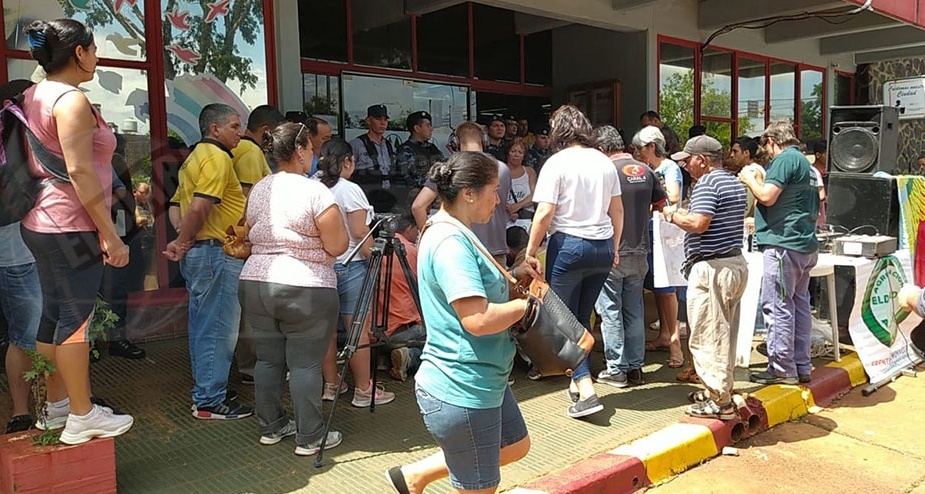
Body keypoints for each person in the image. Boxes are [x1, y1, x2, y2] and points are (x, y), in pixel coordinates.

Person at [384, 151, 537, 494]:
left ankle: (413, 477)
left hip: (483, 379)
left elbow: (476, 290)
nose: (497, 201)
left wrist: (515, 274)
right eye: (493, 191)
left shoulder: (456, 230)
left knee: (514, 445)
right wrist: (525, 306)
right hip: (463, 387)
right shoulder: (451, 242)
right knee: (480, 485)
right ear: (469, 193)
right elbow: (477, 319)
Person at [19, 19, 134, 444]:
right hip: (71, 224)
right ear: (79, 53)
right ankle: (82, 415)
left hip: (41, 221)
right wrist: (109, 233)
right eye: (94, 49)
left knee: (54, 316)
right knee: (76, 320)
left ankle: (56, 407)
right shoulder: (70, 100)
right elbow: (80, 170)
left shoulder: (34, 94)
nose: (97, 57)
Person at [238, 121, 349, 455]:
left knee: (268, 360)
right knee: (305, 364)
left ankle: (272, 427)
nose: (314, 155)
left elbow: (247, 230)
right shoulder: (315, 191)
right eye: (311, 149)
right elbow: (337, 244)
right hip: (305, 285)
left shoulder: (260, 188)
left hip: (256, 281)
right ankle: (310, 435)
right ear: (300, 151)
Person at [526, 105, 623, 418]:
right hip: (603, 246)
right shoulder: (604, 161)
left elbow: (544, 212)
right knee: (583, 317)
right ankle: (578, 380)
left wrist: (530, 251)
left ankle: (586, 389)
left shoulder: (556, 162)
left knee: (564, 322)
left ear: (559, 130)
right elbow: (617, 211)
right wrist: (615, 247)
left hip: (568, 245)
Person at [165, 103, 253, 420]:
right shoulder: (217, 157)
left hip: (202, 252)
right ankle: (209, 400)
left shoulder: (194, 158)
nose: (240, 133)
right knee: (218, 328)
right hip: (217, 253)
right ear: (214, 129)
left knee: (204, 325)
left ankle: (208, 389)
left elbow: (176, 205)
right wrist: (183, 240)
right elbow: (201, 205)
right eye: (234, 126)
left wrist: (184, 236)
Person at [665, 136, 748, 419]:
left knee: (707, 335)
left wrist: (672, 215)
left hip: (713, 269)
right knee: (724, 334)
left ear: (701, 160)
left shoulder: (708, 183)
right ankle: (721, 391)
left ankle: (720, 402)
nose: (686, 166)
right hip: (732, 264)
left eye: (688, 160)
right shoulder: (733, 181)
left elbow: (698, 223)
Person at [316, 138, 396, 408]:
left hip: (322, 266)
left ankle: (331, 384)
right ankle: (363, 389)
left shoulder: (313, 186)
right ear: (347, 161)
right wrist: (377, 263)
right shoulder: (349, 190)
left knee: (326, 330)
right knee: (357, 329)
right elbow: (361, 232)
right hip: (351, 265)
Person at [739, 121, 819, 385]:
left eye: (766, 146)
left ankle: (782, 368)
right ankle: (801, 364)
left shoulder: (785, 159)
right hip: (802, 243)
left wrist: (750, 178)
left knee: (778, 306)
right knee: (799, 305)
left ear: (772, 141)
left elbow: (767, 196)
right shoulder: (805, 163)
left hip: (784, 244)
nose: (767, 152)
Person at [592, 125, 667, 388]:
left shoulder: (605, 171)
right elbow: (661, 204)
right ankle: (635, 367)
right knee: (634, 309)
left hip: (613, 249)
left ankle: (616, 369)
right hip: (640, 248)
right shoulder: (646, 170)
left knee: (611, 310)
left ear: (601, 149)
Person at [231, 104, 284, 386]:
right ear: (265, 131)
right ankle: (252, 366)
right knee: (251, 312)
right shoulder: (251, 153)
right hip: (247, 240)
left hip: (239, 239)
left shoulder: (239, 149)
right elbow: (249, 200)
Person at [412, 121, 513, 268]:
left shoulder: (451, 168)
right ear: (484, 141)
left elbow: (418, 206)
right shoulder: (502, 168)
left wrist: (430, 240)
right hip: (495, 250)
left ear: (455, 143)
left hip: (459, 249)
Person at [632, 126, 685, 372]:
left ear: (652, 146)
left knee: (667, 289)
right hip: (650, 232)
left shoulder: (669, 167)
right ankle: (665, 335)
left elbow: (673, 197)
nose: (637, 152)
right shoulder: (647, 169)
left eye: (640, 148)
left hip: (664, 234)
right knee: (657, 287)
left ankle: (675, 343)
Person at [100, 133, 146, 359]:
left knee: (110, 287)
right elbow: (121, 199)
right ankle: (115, 339)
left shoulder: (106, 164)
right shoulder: (111, 162)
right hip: (112, 231)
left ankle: (97, 343)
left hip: (112, 230)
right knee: (115, 288)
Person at [378, 214, 426, 383]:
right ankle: (410, 356)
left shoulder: (375, 250)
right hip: (405, 330)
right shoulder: (411, 251)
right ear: (409, 229)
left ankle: (384, 359)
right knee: (442, 336)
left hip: (374, 333)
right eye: (416, 230)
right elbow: (427, 285)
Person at [395, 110, 444, 187]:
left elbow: (443, 165)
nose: (431, 129)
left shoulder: (432, 148)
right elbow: (409, 179)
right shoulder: (405, 150)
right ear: (417, 128)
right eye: (428, 125)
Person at [349, 104, 394, 187]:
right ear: (368, 121)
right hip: (366, 190)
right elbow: (347, 172)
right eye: (378, 119)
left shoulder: (388, 145)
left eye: (385, 119)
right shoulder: (357, 144)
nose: (383, 123)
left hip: (389, 191)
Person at [505, 138, 536, 222]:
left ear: (524, 156)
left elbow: (534, 195)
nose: (516, 155)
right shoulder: (500, 171)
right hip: (505, 217)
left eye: (520, 152)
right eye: (513, 151)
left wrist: (518, 206)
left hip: (525, 217)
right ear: (508, 153)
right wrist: (508, 208)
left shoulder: (529, 172)